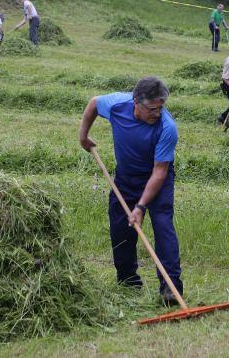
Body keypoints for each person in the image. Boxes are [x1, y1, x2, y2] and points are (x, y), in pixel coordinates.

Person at [78, 77, 182, 305]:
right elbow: (93, 103)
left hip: (156, 179)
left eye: (161, 107)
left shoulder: (167, 128)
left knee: (163, 225)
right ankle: (128, 281)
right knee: (120, 226)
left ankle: (170, 288)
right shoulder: (117, 105)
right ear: (137, 102)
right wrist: (83, 136)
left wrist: (141, 206)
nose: (158, 112)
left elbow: (159, 171)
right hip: (126, 177)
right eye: (153, 108)